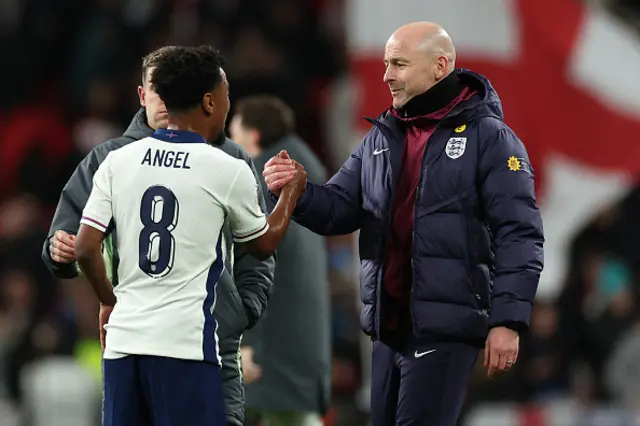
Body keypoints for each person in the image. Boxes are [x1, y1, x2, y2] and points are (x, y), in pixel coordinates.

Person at [264, 22, 544, 426]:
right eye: (385, 63)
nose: (386, 75)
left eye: (398, 64)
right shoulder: (381, 137)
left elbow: (520, 233)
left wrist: (507, 321)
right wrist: (299, 191)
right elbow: (341, 206)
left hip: (443, 328)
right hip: (388, 330)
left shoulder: (490, 138)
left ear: (439, 66)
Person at [73, 45, 307, 426]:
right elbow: (263, 244)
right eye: (227, 93)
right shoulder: (225, 168)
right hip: (185, 346)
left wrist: (107, 300)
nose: (230, 103)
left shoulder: (116, 162)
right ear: (210, 102)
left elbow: (85, 248)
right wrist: (291, 193)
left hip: (122, 348)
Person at [230, 96, 331, 426]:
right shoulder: (307, 184)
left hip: (270, 350)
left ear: (254, 137)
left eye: (236, 133)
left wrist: (247, 343)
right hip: (303, 346)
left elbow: (257, 267)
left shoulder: (263, 185)